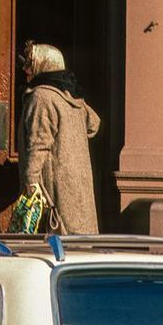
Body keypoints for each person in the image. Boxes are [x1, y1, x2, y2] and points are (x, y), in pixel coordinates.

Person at [18, 41, 100, 234]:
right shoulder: (72, 98)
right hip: (77, 182)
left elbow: (39, 144)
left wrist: (31, 181)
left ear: (43, 65)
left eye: (30, 63)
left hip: (55, 182)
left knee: (54, 239)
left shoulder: (41, 97)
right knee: (77, 238)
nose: (25, 69)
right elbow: (94, 124)